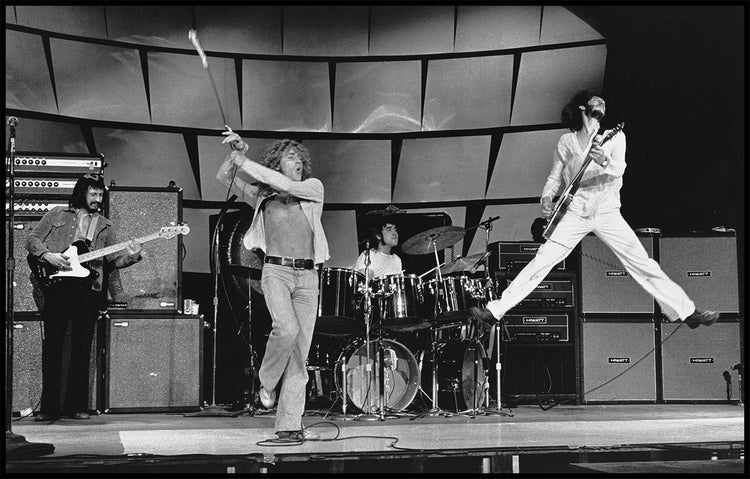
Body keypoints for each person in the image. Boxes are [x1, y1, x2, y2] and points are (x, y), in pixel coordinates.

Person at [470, 91, 718, 330]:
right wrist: (546, 197)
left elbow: (620, 168)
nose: (601, 102)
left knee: (642, 263)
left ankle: (686, 312)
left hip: (607, 213)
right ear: (582, 108)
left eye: (604, 102)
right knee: (542, 260)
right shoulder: (566, 142)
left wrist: (604, 161)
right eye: (595, 100)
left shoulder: (613, 136)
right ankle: (495, 311)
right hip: (575, 213)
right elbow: (554, 177)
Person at [217, 130, 329, 441]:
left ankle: (288, 427)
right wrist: (238, 153)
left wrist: (246, 161)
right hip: (276, 272)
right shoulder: (262, 195)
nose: (296, 159)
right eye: (289, 155)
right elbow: (223, 177)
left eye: (299, 157)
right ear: (276, 163)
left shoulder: (312, 188)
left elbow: (287, 186)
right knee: (286, 329)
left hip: (308, 277)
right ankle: (266, 381)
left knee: (299, 356)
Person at [26, 174, 142, 421]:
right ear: (82, 193)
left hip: (88, 291)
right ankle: (49, 408)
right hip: (56, 287)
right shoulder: (57, 214)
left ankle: (77, 406)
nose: (98, 199)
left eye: (101, 195)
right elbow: (32, 239)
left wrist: (131, 256)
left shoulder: (105, 226)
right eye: (94, 194)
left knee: (82, 348)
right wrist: (48, 256)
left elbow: (112, 262)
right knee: (53, 346)